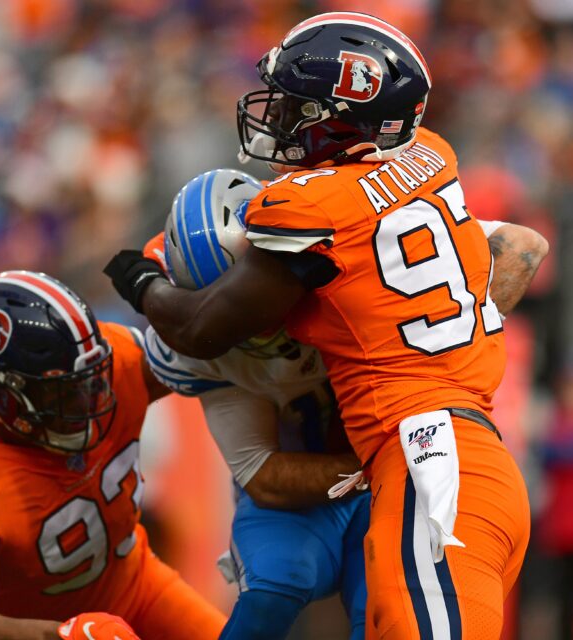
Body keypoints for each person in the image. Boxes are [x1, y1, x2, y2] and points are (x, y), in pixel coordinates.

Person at [104, 13, 549, 637]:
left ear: (342, 117)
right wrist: (465, 328)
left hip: (429, 459)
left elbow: (203, 328)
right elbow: (522, 246)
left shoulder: (313, 206)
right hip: (455, 453)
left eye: (294, 107)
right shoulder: (429, 156)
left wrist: (144, 281)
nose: (278, 120)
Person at [142, 168, 549, 639]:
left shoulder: (356, 252)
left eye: (248, 293)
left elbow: (522, 245)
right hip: (316, 487)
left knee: (378, 613)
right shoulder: (202, 351)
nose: (248, 322)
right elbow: (264, 476)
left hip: (402, 463)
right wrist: (377, 461)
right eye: (220, 306)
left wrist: (451, 338)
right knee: (273, 585)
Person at [0, 271, 227, 640]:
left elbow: (210, 351)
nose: (90, 397)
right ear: (6, 396)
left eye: (91, 380)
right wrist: (63, 636)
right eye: (64, 391)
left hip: (139, 588)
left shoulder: (111, 363)